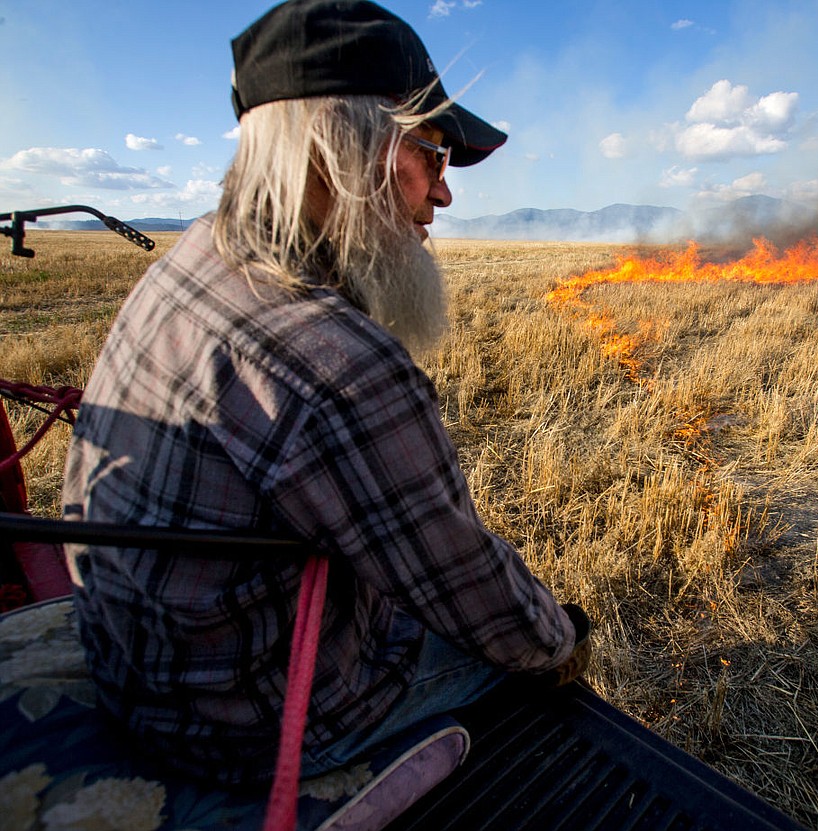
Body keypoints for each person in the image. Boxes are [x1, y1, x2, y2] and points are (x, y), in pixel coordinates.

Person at [61, 0, 590, 787]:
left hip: (135, 676)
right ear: (337, 149)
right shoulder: (337, 364)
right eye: (434, 154)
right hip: (247, 727)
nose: (441, 197)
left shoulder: (199, 251)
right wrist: (566, 641)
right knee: (543, 657)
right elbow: (473, 590)